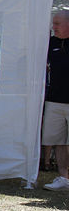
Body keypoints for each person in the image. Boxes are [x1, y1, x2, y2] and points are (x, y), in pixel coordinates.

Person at [42, 10, 69, 191]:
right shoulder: (50, 43)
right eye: (54, 23)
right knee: (58, 140)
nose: (54, 27)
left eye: (57, 24)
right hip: (54, 101)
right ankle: (63, 179)